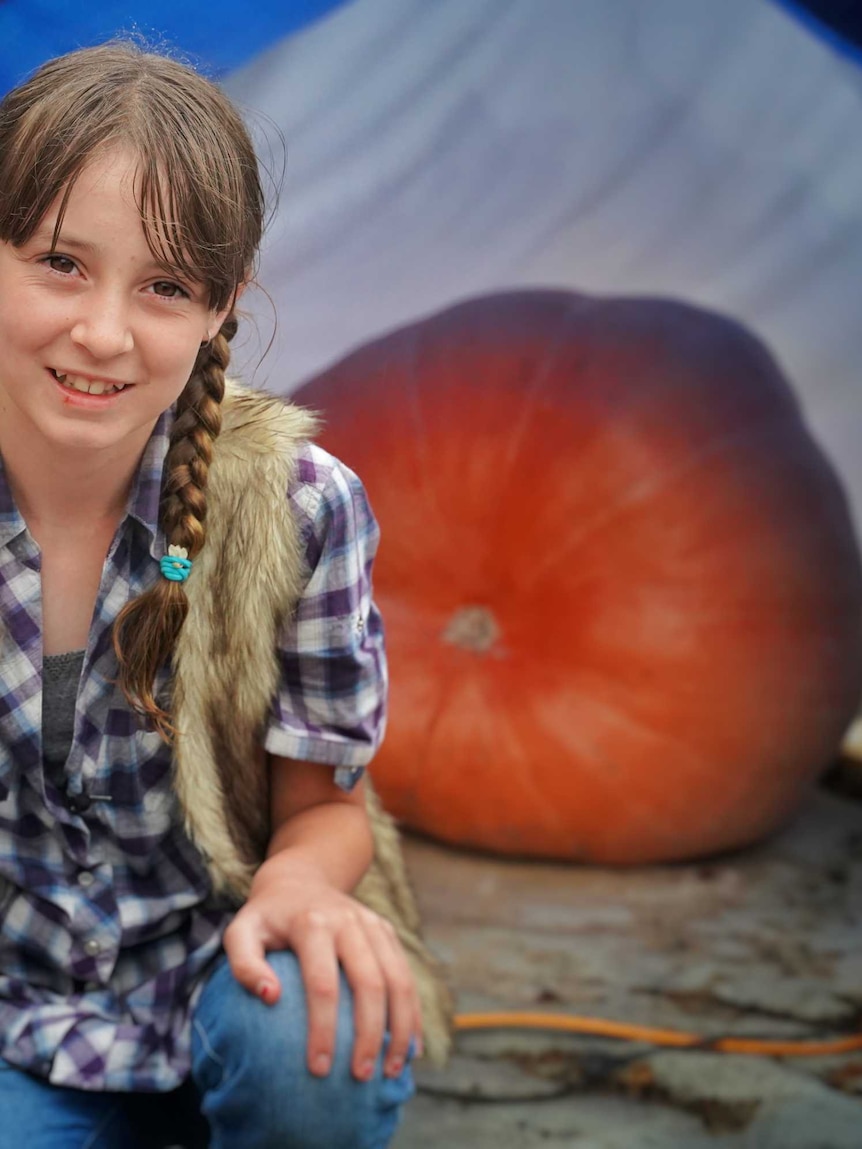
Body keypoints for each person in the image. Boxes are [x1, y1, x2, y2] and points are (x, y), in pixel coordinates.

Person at [0, 40, 433, 1149]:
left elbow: (326, 807)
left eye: (164, 288)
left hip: (215, 979)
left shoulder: (297, 507)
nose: (102, 332)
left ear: (220, 308)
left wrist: (299, 886)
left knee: (311, 1050)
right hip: (16, 1019)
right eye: (59, 262)